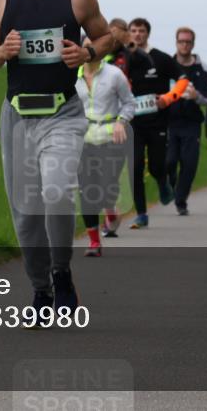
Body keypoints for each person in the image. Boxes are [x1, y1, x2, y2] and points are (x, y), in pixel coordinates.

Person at [0, 0, 113, 317]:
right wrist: (2, 52)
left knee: (55, 192)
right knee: (25, 212)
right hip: (17, 116)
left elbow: (107, 36)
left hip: (63, 113)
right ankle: (40, 292)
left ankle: (61, 271)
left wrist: (86, 52)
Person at [126, 17, 189, 228]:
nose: (137, 34)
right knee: (134, 166)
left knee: (155, 165)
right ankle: (141, 213)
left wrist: (168, 98)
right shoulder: (124, 59)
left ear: (147, 33)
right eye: (133, 30)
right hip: (132, 121)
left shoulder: (160, 58)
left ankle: (162, 181)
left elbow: (183, 79)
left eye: (141, 31)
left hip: (157, 121)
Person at [75, 37, 135, 256]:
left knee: (107, 185)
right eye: (86, 44)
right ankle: (94, 242)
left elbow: (129, 103)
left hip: (111, 136)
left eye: (95, 44)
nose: (90, 49)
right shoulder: (72, 76)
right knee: (87, 190)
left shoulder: (114, 75)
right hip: (83, 138)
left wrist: (121, 121)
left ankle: (110, 209)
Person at [165, 27, 207, 215]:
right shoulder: (167, 65)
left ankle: (181, 201)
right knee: (169, 162)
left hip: (191, 124)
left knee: (189, 163)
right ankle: (170, 183)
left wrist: (196, 96)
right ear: (176, 43)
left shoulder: (201, 69)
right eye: (181, 41)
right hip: (169, 122)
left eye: (188, 42)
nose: (184, 45)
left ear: (193, 44)